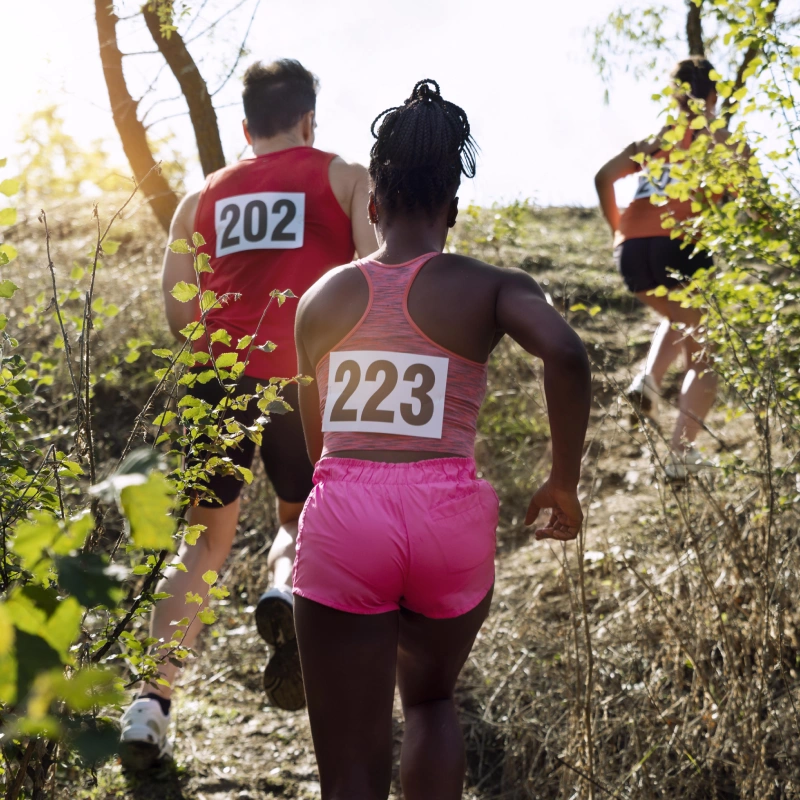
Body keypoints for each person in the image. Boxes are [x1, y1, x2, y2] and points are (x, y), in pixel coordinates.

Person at [292, 79, 591, 800]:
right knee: (429, 703)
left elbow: (317, 448)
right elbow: (568, 354)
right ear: (452, 211)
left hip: (347, 517)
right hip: (447, 520)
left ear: (373, 204)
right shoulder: (489, 286)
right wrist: (562, 480)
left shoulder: (321, 299)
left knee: (350, 773)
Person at [119, 58, 377, 769]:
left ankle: (149, 705)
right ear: (307, 118)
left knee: (202, 541)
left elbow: (177, 311)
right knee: (298, 515)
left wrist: (225, 343)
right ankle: (280, 587)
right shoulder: (344, 176)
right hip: (308, 376)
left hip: (218, 378)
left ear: (243, 126)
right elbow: (380, 272)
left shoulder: (201, 196)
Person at [595, 57, 723, 479]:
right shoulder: (721, 141)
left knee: (682, 315)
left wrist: (620, 233)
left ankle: (648, 381)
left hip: (632, 253)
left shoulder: (657, 139)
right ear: (713, 95)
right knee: (703, 358)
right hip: (681, 245)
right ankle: (680, 456)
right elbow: (741, 211)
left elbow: (603, 177)